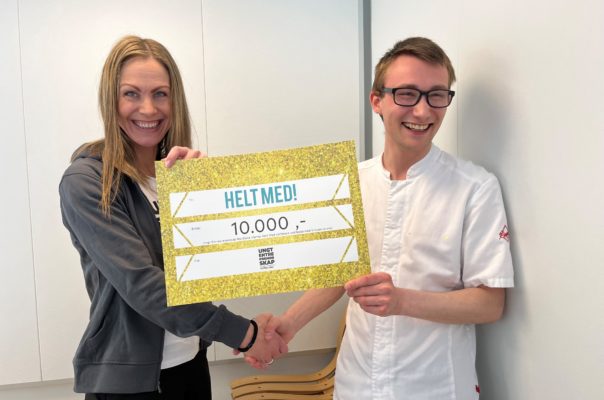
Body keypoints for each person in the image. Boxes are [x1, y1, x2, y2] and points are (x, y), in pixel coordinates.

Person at [249, 37, 515, 399]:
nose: (422, 111)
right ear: (377, 100)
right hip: (357, 382)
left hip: (434, 387)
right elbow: (340, 274)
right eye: (407, 94)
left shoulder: (475, 187)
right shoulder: (351, 184)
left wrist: (401, 301)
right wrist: (288, 324)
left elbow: (489, 303)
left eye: (437, 95)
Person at [59, 35, 286, 399]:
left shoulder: (177, 176)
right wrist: (245, 335)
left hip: (191, 365)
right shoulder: (87, 181)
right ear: (110, 99)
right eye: (131, 94)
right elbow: (143, 285)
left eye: (160, 94)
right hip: (130, 384)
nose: (148, 109)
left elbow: (206, 274)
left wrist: (208, 200)